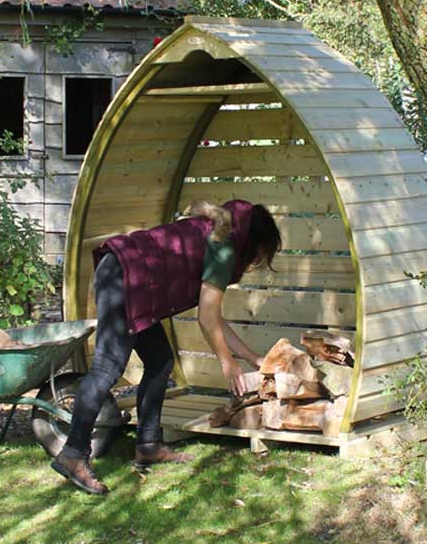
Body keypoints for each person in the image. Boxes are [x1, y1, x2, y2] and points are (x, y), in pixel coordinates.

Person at [52, 199, 282, 495]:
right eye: (260, 255)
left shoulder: (223, 231)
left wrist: (252, 357)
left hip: (135, 280)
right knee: (106, 368)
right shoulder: (224, 247)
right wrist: (227, 363)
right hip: (126, 278)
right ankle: (73, 454)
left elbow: (215, 316)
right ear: (254, 242)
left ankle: (148, 445)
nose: (255, 262)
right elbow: (207, 318)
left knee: (160, 361)